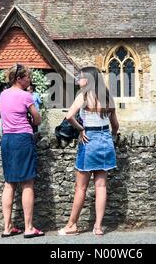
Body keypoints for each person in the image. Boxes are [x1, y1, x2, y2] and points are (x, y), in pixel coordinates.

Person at [57, 66, 119, 236]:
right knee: (101, 185)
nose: (78, 80)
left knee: (81, 187)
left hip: (89, 139)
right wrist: (110, 137)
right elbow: (116, 126)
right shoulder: (108, 98)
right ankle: (98, 227)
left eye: (81, 77)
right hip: (105, 140)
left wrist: (81, 129)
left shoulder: (83, 96)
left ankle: (72, 225)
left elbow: (69, 116)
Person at [0, 63, 44, 238]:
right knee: (27, 183)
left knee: (9, 183)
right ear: (19, 79)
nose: (29, 80)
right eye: (27, 77)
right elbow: (38, 120)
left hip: (7, 139)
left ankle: (7, 227)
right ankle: (29, 227)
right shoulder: (25, 96)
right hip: (22, 139)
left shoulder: (2, 95)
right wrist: (32, 114)